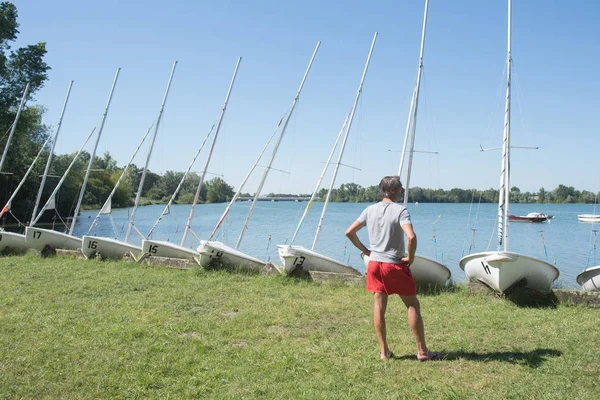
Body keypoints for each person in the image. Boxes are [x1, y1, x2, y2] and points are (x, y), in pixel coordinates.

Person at [345, 175, 443, 361]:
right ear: (392, 190)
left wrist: (366, 251)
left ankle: (384, 352)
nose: (402, 192)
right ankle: (422, 352)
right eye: (400, 190)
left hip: (374, 265)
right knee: (412, 304)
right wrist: (411, 257)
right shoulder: (401, 211)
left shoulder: (369, 210)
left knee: (379, 306)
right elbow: (411, 237)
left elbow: (349, 232)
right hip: (394, 265)